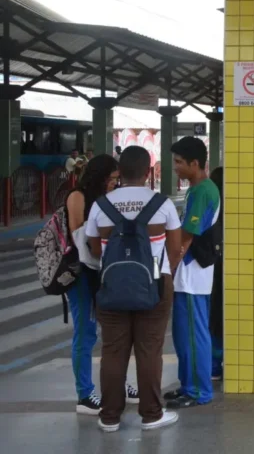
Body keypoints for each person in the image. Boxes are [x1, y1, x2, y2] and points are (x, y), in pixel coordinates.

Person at [86, 146, 181, 432]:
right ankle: (151, 414)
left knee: (113, 351)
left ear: (120, 172)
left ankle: (110, 417)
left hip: (111, 286)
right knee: (149, 350)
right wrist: (165, 274)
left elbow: (93, 250)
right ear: (148, 171)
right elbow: (175, 249)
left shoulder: (100, 205)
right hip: (154, 284)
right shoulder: (162, 204)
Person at [65, 154, 140, 415]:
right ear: (99, 177)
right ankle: (84, 395)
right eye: (110, 179)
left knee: (115, 332)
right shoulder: (78, 197)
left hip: (105, 271)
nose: (113, 184)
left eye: (116, 180)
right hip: (82, 273)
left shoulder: (106, 200)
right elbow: (78, 238)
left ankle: (119, 384)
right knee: (85, 333)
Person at [164, 136, 220, 409]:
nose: (174, 167)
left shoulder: (202, 191)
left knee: (193, 334)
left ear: (195, 163)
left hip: (192, 273)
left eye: (178, 162)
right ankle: (188, 385)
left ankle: (198, 390)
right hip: (191, 274)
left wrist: (171, 263)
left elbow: (187, 234)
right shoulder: (197, 189)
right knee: (184, 334)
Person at [208, 166, 224, 382]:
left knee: (214, 313)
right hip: (236, 266)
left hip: (212, 265)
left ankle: (214, 365)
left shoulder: (211, 205)